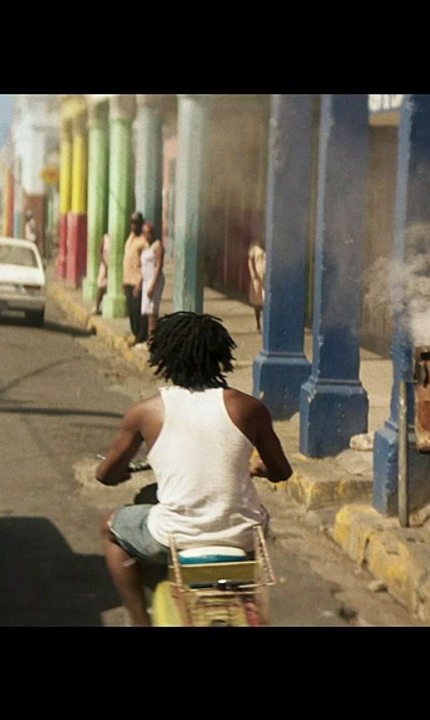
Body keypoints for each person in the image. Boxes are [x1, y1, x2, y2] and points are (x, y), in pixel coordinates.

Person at [95, 311, 293, 626]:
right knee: (256, 518)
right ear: (220, 356)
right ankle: (243, 600)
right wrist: (259, 467)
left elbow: (105, 475)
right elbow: (281, 471)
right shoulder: (249, 408)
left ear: (164, 358)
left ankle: (139, 620)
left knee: (111, 528)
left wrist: (119, 473)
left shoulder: (145, 413)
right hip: (242, 535)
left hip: (173, 537)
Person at [123, 212, 149, 344]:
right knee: (131, 311)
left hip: (137, 281)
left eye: (136, 223)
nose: (133, 225)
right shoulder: (131, 238)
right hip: (128, 280)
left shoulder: (143, 242)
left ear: (140, 224)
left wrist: (140, 283)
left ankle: (140, 336)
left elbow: (146, 265)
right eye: (132, 222)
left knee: (137, 310)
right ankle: (135, 334)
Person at [138, 222, 165, 341]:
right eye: (144, 233)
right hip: (146, 280)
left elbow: (159, 266)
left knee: (152, 310)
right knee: (147, 310)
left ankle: (152, 339)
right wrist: (140, 283)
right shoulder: (146, 246)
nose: (146, 235)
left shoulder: (157, 245)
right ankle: (152, 337)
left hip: (154, 280)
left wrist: (152, 286)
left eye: (148, 232)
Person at [248, 239, 267, 332]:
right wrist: (252, 273)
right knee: (257, 302)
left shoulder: (270, 245)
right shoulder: (254, 245)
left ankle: (266, 323)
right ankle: (258, 323)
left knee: (267, 300)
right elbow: (250, 260)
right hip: (257, 278)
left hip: (267, 278)